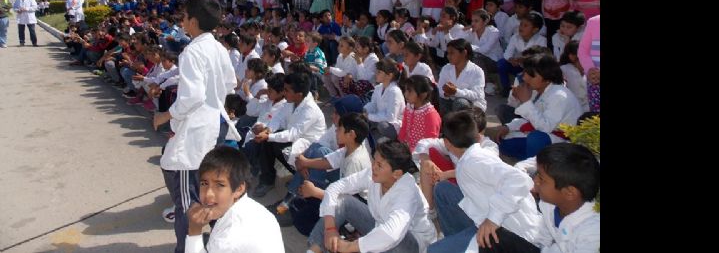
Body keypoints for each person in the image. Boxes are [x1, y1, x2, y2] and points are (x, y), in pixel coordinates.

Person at [153, 0, 237, 253]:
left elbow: (191, 97)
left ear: (194, 21)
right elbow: (230, 83)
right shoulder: (218, 48)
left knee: (189, 200)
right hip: (216, 124)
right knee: (212, 190)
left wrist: (165, 115)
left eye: (185, 17)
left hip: (199, 131)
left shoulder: (192, 51)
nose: (182, 22)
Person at [428, 111, 543, 253]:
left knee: (434, 250)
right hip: (487, 217)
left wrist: (492, 220)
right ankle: (458, 241)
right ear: (477, 136)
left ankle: (462, 245)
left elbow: (521, 180)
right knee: (443, 190)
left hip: (514, 234)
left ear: (447, 143)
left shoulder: (475, 161)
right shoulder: (470, 157)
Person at [307, 140, 436, 253]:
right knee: (343, 202)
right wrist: (330, 228)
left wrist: (350, 247)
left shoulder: (408, 191)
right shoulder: (374, 173)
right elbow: (335, 188)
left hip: (410, 244)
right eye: (374, 160)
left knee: (389, 238)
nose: (373, 167)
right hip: (379, 229)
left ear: (396, 174)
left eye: (380, 165)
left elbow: (391, 234)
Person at [184, 145, 284, 253]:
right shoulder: (253, 207)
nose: (208, 194)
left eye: (219, 185)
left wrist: (194, 229)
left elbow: (226, 245)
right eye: (204, 183)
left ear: (239, 189)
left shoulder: (227, 241)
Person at [531, 143, 601, 253]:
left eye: (541, 178)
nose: (535, 180)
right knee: (496, 236)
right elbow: (543, 238)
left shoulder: (592, 233)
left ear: (569, 193)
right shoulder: (549, 204)